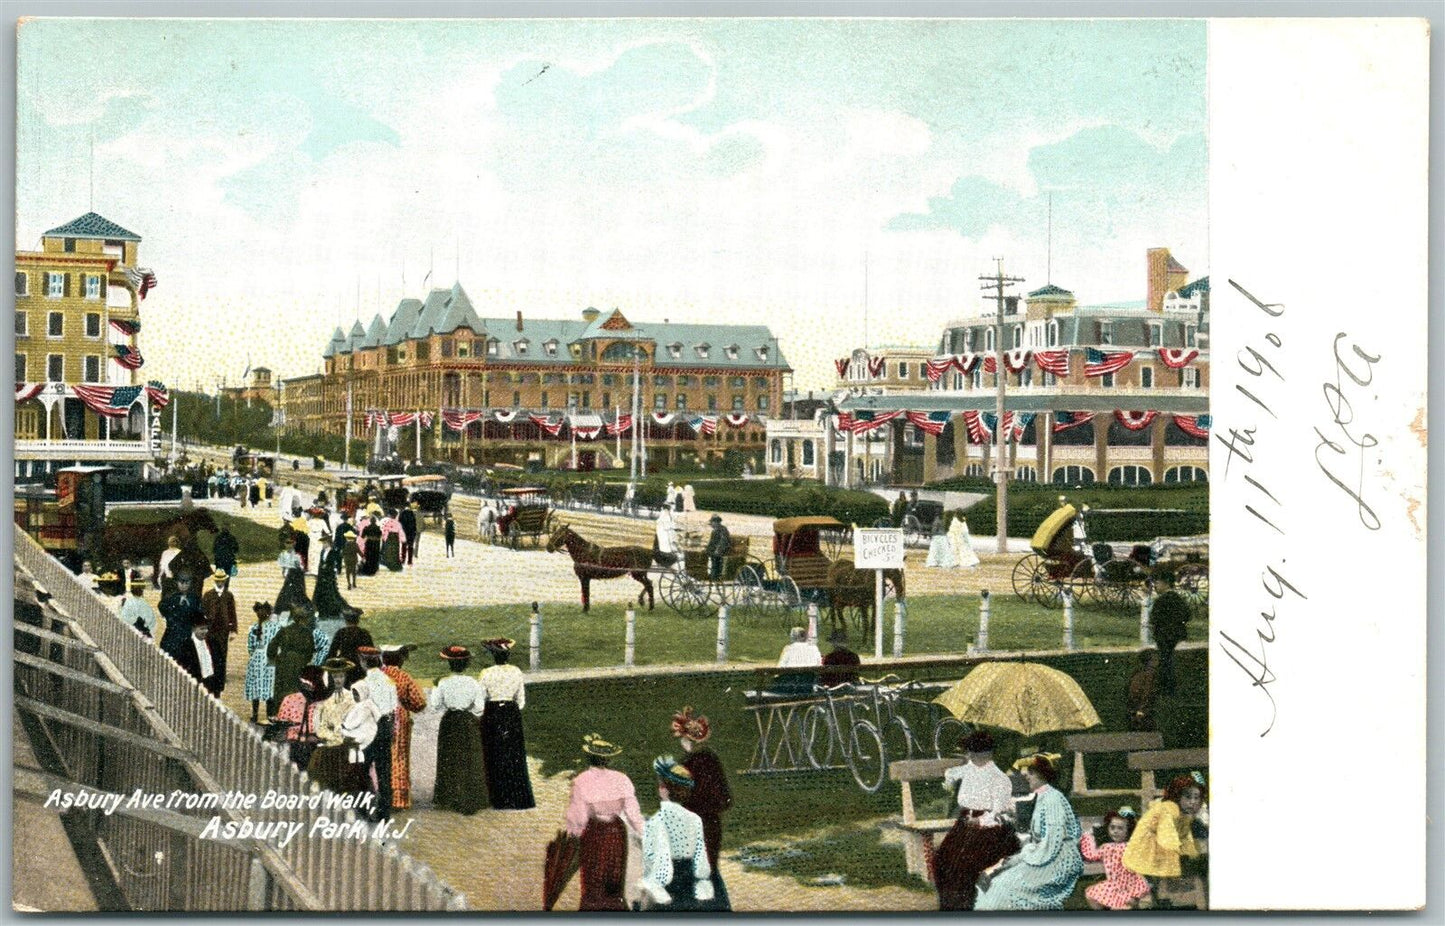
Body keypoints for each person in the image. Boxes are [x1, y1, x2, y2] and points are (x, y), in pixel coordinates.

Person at [975, 753, 1084, 911]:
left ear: (1043, 775)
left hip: (1059, 860)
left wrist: (1025, 855)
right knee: (996, 880)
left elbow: (1052, 841)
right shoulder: (1043, 797)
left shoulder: (1053, 799)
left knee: (1003, 886)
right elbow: (1040, 840)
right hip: (1046, 854)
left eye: (1031, 772)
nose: (1026, 775)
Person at [935, 730, 1023, 910]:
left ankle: (968, 908)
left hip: (989, 829)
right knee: (942, 858)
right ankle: (950, 908)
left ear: (983, 754)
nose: (969, 755)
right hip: (965, 822)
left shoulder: (999, 778)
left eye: (971, 752)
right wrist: (949, 780)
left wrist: (980, 821)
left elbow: (998, 813)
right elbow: (951, 773)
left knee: (964, 864)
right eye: (969, 752)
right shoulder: (969, 768)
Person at [564, 734, 645, 911]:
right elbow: (633, 813)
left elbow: (578, 816)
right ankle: (614, 908)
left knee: (593, 872)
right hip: (616, 831)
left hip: (594, 831)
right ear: (608, 759)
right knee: (614, 872)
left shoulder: (581, 780)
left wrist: (573, 835)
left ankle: (592, 909)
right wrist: (643, 833)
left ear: (589, 757)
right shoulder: (622, 779)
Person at [636, 758, 717, 911]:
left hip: (666, 886)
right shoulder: (695, 819)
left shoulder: (657, 821)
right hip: (689, 884)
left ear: (663, 790)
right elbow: (700, 859)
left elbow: (652, 860)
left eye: (661, 785)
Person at [673, 707, 732, 911]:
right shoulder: (713, 760)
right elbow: (726, 800)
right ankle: (720, 906)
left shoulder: (685, 765)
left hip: (692, 824)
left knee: (691, 867)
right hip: (712, 823)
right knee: (711, 867)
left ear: (686, 740)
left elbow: (677, 799)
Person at [428, 645, 488, 814]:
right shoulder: (473, 683)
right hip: (468, 720)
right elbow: (479, 708)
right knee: (468, 757)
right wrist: (468, 711)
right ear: (466, 664)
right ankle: (469, 797)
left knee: (450, 756)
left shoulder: (443, 683)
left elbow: (435, 705)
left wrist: (437, 690)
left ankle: (449, 796)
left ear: (449, 664)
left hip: (450, 720)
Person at [477, 638, 536, 810]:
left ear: (493, 656)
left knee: (494, 752)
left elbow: (481, 698)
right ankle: (517, 796)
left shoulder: (486, 673)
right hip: (511, 711)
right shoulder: (516, 671)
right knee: (513, 752)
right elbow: (521, 700)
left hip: (492, 711)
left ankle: (497, 797)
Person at [1121, 775, 1204, 888]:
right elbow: (1166, 833)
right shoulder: (1169, 809)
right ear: (1177, 796)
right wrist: (1176, 847)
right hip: (1148, 843)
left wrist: (1189, 849)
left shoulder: (1185, 813)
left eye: (1196, 798)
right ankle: (1154, 885)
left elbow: (1184, 832)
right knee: (1156, 866)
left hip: (1163, 839)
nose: (1192, 802)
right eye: (1188, 797)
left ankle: (1164, 886)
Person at [306, 659, 367, 795]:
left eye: (341, 676)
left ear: (345, 677)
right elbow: (320, 727)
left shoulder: (351, 698)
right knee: (320, 760)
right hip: (330, 745)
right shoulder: (325, 700)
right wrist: (332, 736)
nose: (338, 680)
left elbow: (357, 723)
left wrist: (344, 734)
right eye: (335, 677)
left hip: (348, 744)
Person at [380, 644, 427, 811]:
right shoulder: (403, 677)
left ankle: (380, 794)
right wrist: (406, 705)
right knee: (399, 756)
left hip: (379, 717)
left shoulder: (378, 675)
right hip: (399, 718)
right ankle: (398, 799)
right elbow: (419, 702)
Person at [356, 646, 397, 820]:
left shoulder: (362, 684)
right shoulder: (389, 681)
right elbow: (394, 707)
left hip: (369, 726)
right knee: (384, 770)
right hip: (385, 725)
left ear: (363, 662)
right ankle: (384, 811)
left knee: (363, 768)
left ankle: (363, 809)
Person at [1081, 808, 1149, 910]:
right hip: (1114, 885)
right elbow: (1091, 855)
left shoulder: (1131, 847)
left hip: (1130, 884)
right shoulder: (1106, 847)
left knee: (1122, 906)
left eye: (1120, 828)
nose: (1115, 831)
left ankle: (1128, 904)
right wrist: (1088, 837)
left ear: (1127, 831)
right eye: (1112, 828)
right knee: (1090, 894)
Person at [268, 602, 326, 702]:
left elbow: (271, 648)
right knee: (296, 691)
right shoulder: (307, 633)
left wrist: (276, 658)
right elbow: (310, 652)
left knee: (281, 690)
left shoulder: (284, 630)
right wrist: (303, 660)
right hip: (299, 664)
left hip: (283, 663)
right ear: (304, 619)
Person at [274, 665, 328, 769]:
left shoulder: (324, 704)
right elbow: (281, 728)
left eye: (308, 685)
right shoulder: (290, 700)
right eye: (304, 685)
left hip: (315, 751)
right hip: (293, 748)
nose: (306, 688)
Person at [1150, 573, 1192, 695]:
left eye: (1157, 583)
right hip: (1176, 634)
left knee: (1164, 660)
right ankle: (1169, 686)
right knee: (1169, 659)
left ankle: (1165, 687)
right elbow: (1187, 615)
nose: (1155, 586)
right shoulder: (1178, 599)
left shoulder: (1160, 600)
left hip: (1163, 635)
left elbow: (1154, 618)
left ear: (1166, 584)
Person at [201, 569, 239, 695]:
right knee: (211, 654)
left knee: (222, 654)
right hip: (210, 630)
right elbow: (203, 612)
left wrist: (233, 630)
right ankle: (211, 679)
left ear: (225, 581)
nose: (220, 583)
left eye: (222, 580)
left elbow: (232, 613)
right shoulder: (208, 595)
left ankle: (221, 681)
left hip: (223, 630)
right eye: (218, 580)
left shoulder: (228, 596)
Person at [245, 602, 280, 723]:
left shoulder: (253, 628)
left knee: (256, 686)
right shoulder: (275, 627)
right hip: (270, 659)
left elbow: (250, 646)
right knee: (269, 686)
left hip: (256, 658)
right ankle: (269, 715)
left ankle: (255, 715)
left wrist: (255, 655)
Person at [158, 571, 204, 660]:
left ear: (190, 583)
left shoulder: (194, 599)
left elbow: (199, 615)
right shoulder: (171, 598)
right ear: (177, 583)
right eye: (181, 582)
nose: (184, 585)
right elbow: (162, 608)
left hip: (188, 637)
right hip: (172, 637)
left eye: (187, 583)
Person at [173, 614, 223, 696]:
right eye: (201, 629)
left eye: (206, 628)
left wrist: (219, 685)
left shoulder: (213, 643)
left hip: (212, 682)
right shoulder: (186, 646)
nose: (205, 631)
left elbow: (220, 665)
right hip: (196, 684)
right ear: (194, 629)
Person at [774, 626, 822, 695]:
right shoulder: (814, 648)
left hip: (789, 688)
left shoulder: (789, 648)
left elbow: (780, 668)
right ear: (805, 637)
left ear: (793, 637)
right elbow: (819, 665)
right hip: (807, 687)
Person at [274, 534, 310, 616]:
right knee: (286, 592)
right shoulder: (283, 554)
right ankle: (284, 608)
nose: (289, 545)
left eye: (291, 543)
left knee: (297, 591)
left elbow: (301, 567)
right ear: (285, 544)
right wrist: (284, 571)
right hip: (288, 574)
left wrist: (298, 567)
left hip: (296, 575)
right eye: (287, 543)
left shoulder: (297, 555)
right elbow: (282, 565)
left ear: (294, 544)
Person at [1127, 650, 1160, 732]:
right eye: (1154, 660)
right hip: (1143, 708)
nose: (1157, 661)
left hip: (1138, 706)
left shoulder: (1139, 673)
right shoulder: (1148, 675)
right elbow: (1147, 692)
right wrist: (1141, 709)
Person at [704, 514, 732, 581]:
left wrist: (718, 550)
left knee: (716, 561)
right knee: (712, 559)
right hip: (716, 551)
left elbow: (723, 541)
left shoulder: (723, 529)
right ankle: (713, 575)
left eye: (712, 523)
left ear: (716, 522)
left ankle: (715, 576)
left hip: (723, 550)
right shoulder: (714, 530)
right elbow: (711, 542)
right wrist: (706, 550)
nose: (711, 525)